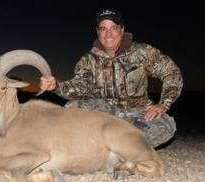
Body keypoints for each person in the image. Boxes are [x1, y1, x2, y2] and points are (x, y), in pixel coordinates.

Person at [40, 8, 183, 148]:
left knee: (165, 125)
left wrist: (163, 104)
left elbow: (172, 72)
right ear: (97, 32)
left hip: (136, 114)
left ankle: (117, 149)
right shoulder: (88, 60)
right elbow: (77, 88)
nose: (108, 33)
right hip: (103, 116)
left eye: (113, 28)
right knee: (72, 109)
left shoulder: (142, 52)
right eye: (103, 28)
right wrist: (55, 86)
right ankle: (113, 150)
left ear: (122, 29)